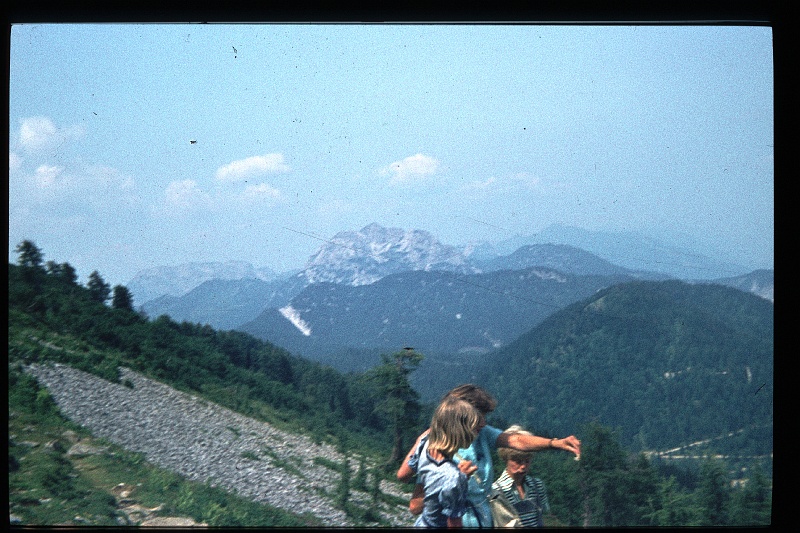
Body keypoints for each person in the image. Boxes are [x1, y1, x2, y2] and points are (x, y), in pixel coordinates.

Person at [398, 384, 580, 528]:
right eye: (480, 416)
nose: (484, 422)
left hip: (483, 520)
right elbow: (415, 501)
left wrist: (554, 443)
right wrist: (456, 482)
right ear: (461, 416)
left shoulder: (481, 433)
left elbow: (515, 440)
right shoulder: (435, 445)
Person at [413, 396, 483, 528]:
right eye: (473, 428)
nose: (475, 433)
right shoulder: (454, 477)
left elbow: (414, 465)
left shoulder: (425, 445)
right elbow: (454, 524)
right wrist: (461, 478)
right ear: (460, 432)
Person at [492, 425, 550, 528]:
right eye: (517, 461)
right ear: (506, 458)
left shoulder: (537, 486)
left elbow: (543, 517)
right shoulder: (496, 491)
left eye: (527, 461)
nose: (523, 466)